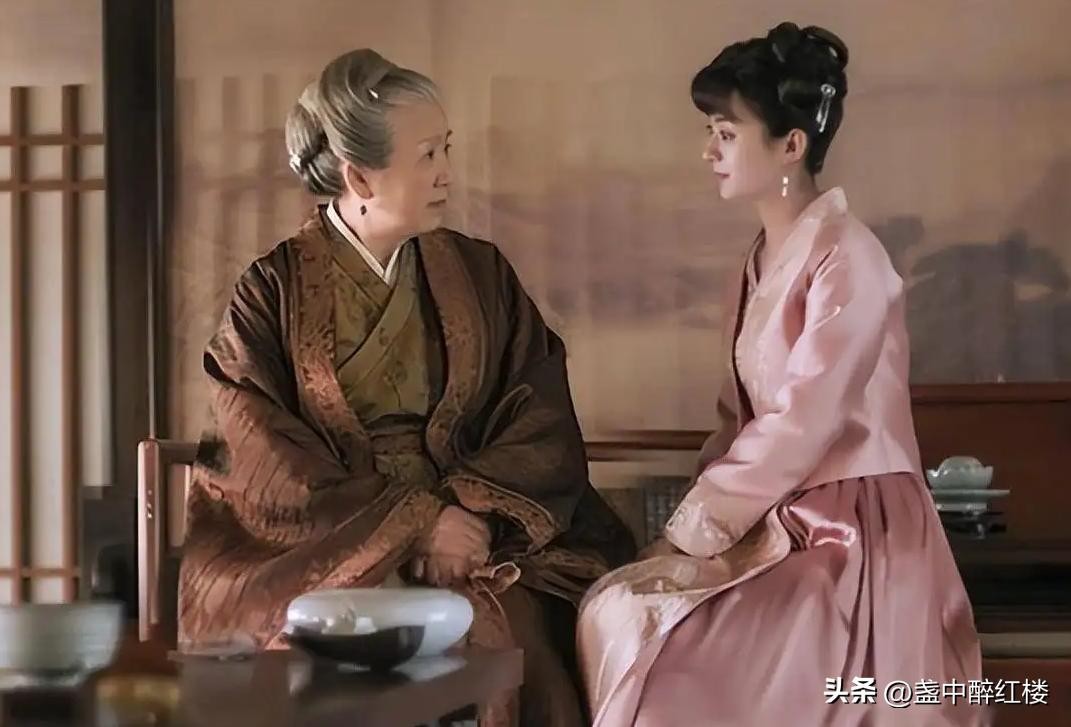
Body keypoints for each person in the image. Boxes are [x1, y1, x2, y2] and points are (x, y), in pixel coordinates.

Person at [178, 48, 635, 727]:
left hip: (479, 533)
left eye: (446, 148)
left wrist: (467, 518)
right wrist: (414, 524)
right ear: (359, 175)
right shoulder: (271, 291)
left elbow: (535, 409)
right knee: (310, 651)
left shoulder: (480, 274)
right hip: (328, 544)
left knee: (517, 639)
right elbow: (260, 449)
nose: (447, 171)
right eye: (427, 155)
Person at [576, 23, 983, 726]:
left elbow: (806, 416)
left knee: (686, 652)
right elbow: (736, 416)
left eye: (726, 133)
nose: (709, 150)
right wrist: (697, 524)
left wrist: (695, 529)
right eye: (710, 132)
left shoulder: (849, 257)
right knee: (615, 607)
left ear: (790, 145)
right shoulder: (761, 256)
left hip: (852, 525)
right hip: (777, 511)